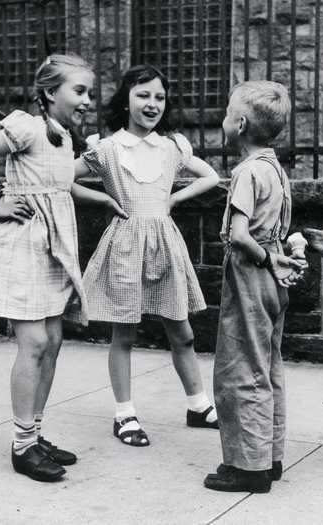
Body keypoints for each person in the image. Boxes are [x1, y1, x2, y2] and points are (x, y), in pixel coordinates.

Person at [0, 54, 123, 482]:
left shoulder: (63, 136)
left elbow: (61, 185)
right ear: (50, 92)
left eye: (89, 92)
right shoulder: (25, 126)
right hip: (22, 245)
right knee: (32, 343)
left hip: (53, 249)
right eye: (79, 90)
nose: (87, 100)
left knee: (52, 339)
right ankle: (22, 445)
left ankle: (35, 433)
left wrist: (101, 198)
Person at [72, 65, 220, 447]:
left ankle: (199, 405)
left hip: (165, 245)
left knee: (182, 331)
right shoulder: (105, 148)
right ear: (125, 101)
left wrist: (174, 198)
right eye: (143, 95)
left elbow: (211, 177)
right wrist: (102, 197)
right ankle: (125, 415)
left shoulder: (172, 147)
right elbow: (60, 179)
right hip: (125, 245)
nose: (152, 104)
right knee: (124, 333)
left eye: (159, 97)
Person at [203, 80, 306, 493]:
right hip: (273, 275)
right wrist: (277, 259)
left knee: (239, 367)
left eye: (227, 113)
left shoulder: (247, 172)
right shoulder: (275, 169)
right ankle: (269, 456)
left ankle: (247, 467)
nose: (223, 120)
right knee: (267, 364)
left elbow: (242, 235)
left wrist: (265, 258)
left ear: (240, 124)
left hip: (252, 268)